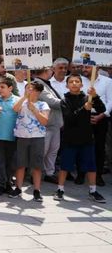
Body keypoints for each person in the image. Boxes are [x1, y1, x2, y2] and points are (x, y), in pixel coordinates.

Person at [54, 74, 106, 203]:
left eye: (77, 81)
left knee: (91, 166)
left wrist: (95, 96)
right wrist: (84, 109)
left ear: (82, 85)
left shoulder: (87, 97)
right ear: (67, 85)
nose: (74, 83)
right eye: (71, 81)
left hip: (86, 137)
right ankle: (60, 189)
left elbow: (102, 109)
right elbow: (70, 118)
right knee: (65, 165)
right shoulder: (64, 100)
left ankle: (93, 190)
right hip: (70, 138)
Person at [10, 81, 51, 202]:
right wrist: (24, 97)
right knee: (20, 164)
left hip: (37, 137)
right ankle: (18, 188)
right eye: (27, 88)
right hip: (22, 137)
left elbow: (45, 121)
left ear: (38, 92)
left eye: (31, 89)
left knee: (36, 165)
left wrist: (34, 110)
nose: (28, 91)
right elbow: (15, 108)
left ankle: (37, 190)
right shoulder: (22, 102)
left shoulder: (43, 104)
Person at [81, 63, 112, 186]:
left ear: (97, 68)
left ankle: (97, 175)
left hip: (101, 118)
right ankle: (81, 173)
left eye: (87, 67)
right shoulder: (78, 81)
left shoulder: (107, 81)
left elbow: (110, 101)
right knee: (82, 146)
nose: (84, 69)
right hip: (83, 118)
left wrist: (102, 115)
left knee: (99, 147)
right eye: (83, 67)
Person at [33, 67, 63, 184]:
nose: (53, 71)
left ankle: (49, 173)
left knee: (53, 150)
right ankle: (34, 173)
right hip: (46, 123)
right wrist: (71, 101)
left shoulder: (46, 83)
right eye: (51, 69)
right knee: (42, 151)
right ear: (46, 71)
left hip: (54, 123)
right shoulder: (38, 84)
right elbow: (52, 102)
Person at [0, 78, 19, 196]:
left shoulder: (18, 100)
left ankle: (8, 182)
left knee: (11, 162)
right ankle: (1, 184)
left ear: (10, 88)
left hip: (13, 136)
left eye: (2, 87)